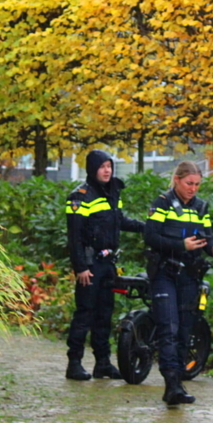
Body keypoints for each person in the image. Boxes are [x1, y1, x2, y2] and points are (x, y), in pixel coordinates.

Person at [144, 161, 213, 406]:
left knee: (184, 330)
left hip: (189, 274)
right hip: (164, 273)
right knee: (168, 328)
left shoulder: (201, 207)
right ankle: (171, 384)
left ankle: (178, 382)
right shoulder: (162, 203)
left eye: (197, 184)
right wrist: (181, 245)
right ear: (177, 180)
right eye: (189, 183)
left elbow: (207, 235)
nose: (193, 189)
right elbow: (150, 236)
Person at [64, 150, 145, 381]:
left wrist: (146, 227)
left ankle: (103, 364)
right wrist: (80, 267)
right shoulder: (80, 197)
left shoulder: (112, 192)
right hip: (90, 265)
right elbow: (75, 236)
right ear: (92, 169)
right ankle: (74, 363)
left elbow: (120, 221)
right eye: (102, 166)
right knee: (85, 314)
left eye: (109, 166)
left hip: (108, 264)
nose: (107, 170)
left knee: (104, 315)